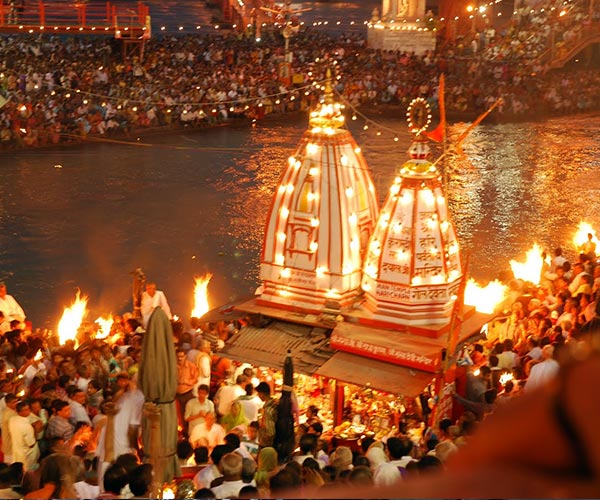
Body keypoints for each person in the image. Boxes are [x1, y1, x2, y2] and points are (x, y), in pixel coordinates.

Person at [9, 401, 40, 470]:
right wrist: (34, 429)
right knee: (28, 471)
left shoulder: (12, 420)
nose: (29, 411)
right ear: (20, 412)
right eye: (27, 409)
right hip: (27, 454)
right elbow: (31, 444)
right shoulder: (26, 426)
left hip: (16, 450)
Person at [176, 348, 199, 434]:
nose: (180, 358)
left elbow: (195, 379)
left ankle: (187, 431)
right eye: (178, 357)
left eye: (182, 356)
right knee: (179, 414)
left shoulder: (191, 366)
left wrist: (186, 382)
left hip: (187, 393)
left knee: (188, 413)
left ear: (185, 356)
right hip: (176, 394)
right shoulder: (173, 367)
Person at [255, 382, 277, 448]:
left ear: (262, 394)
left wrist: (264, 442)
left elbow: (270, 432)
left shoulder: (268, 410)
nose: (258, 395)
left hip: (267, 444)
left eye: (258, 393)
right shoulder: (273, 405)